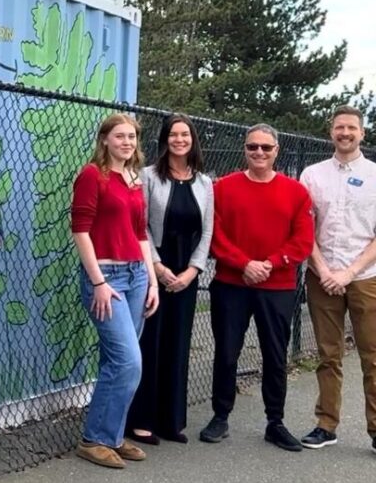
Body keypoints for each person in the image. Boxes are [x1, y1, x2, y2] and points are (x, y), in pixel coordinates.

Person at [199, 124, 314, 451]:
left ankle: (275, 422)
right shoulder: (223, 188)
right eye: (253, 147)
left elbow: (303, 239)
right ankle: (220, 416)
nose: (259, 153)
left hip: (277, 287)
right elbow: (215, 235)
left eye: (266, 147)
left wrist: (271, 263)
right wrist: (244, 263)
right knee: (226, 352)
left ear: (277, 150)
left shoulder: (296, 192)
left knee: (275, 356)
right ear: (244, 150)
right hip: (231, 284)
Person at [71, 113, 159, 468]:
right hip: (106, 277)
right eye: (120, 136)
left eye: (132, 137)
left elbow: (141, 233)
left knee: (118, 361)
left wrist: (152, 280)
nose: (127, 142)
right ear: (105, 139)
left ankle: (112, 435)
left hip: (137, 276)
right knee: (128, 360)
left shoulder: (135, 178)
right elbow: (80, 231)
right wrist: (98, 283)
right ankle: (95, 439)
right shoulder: (93, 175)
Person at [127, 115, 213, 444]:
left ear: (193, 139)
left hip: (187, 275)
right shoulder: (148, 177)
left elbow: (207, 231)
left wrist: (192, 271)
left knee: (178, 345)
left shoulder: (204, 183)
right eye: (173, 134)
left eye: (185, 134)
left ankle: (170, 420)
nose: (179, 139)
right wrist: (159, 268)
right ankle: (142, 420)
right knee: (151, 343)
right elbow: (142, 226)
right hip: (155, 270)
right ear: (165, 140)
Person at [298, 106, 376, 453]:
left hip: (365, 278)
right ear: (331, 132)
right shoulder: (312, 175)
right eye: (339, 127)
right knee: (328, 355)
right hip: (322, 278)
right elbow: (304, 229)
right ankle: (326, 424)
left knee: (372, 357)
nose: (345, 133)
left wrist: (349, 272)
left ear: (362, 133)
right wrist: (325, 270)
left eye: (351, 128)